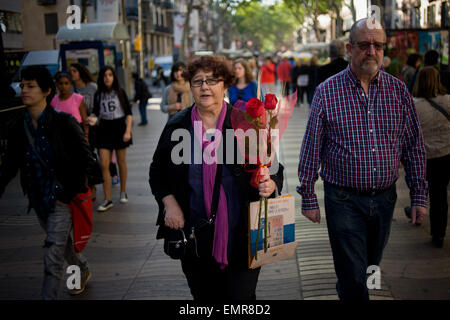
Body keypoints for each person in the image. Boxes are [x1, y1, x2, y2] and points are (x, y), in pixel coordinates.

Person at [297, 18, 428, 300]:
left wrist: (419, 195)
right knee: (355, 277)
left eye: (378, 45)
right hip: (343, 200)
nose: (371, 51)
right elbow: (311, 147)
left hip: (385, 200)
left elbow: (414, 146)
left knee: (369, 269)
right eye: (364, 44)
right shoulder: (327, 92)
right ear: (349, 48)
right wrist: (307, 195)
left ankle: (350, 287)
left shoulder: (398, 91)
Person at [149, 55, 284, 300]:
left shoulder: (245, 123)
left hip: (243, 234)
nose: (204, 87)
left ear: (225, 85)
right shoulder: (178, 126)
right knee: (204, 298)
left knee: (241, 298)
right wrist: (169, 204)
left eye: (212, 80)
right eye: (197, 81)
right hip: (195, 237)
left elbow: (274, 167)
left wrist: (270, 182)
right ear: (190, 86)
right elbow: (157, 173)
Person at [0, 66, 94, 299]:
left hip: (62, 200)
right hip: (39, 200)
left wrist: (71, 191)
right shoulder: (17, 128)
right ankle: (81, 268)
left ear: (46, 91)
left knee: (52, 256)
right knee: (61, 245)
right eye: (22, 85)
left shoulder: (63, 123)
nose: (24, 90)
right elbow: (9, 166)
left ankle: (65, 286)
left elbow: (86, 159)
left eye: (30, 86)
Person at [411, 66, 450, 248]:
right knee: (440, 195)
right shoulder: (448, 101)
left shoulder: (414, 106)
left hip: (425, 158)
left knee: (427, 191)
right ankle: (439, 232)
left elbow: (408, 134)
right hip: (446, 155)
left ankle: (421, 217)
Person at [92, 66, 133, 212]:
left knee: (121, 161)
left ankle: (123, 191)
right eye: (104, 75)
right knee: (104, 164)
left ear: (114, 77)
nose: (107, 78)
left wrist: (127, 131)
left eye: (110, 75)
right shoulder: (98, 94)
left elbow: (129, 113)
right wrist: (89, 119)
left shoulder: (120, 93)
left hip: (119, 128)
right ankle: (107, 199)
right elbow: (95, 114)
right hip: (103, 129)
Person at [69, 63, 103, 201]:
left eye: (74, 71)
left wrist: (93, 118)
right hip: (75, 128)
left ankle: (93, 186)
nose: (72, 73)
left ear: (81, 72)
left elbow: (99, 107)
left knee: (90, 157)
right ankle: (83, 185)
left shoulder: (92, 87)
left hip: (91, 128)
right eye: (70, 71)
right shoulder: (70, 88)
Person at [51, 71, 89, 138]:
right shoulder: (53, 101)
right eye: (60, 83)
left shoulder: (78, 98)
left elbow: (84, 119)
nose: (63, 86)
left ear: (70, 84)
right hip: (61, 135)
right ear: (56, 84)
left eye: (66, 83)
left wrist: (86, 135)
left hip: (77, 133)